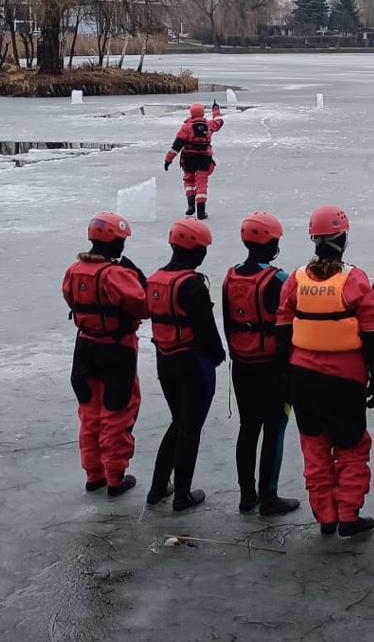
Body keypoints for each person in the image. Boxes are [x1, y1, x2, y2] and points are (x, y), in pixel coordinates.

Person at [276, 205, 374, 537]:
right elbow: (373, 333)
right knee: (352, 446)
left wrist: (285, 379)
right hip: (345, 381)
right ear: (344, 237)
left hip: (302, 378)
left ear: (314, 238)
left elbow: (282, 332)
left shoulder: (295, 280)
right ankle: (349, 514)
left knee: (314, 446)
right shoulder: (354, 279)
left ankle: (325, 515)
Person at [62, 212, 150, 497]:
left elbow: (69, 296)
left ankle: (93, 473)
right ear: (118, 242)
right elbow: (142, 304)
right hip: (117, 348)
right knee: (116, 412)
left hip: (85, 347)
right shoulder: (117, 274)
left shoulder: (74, 270)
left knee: (89, 412)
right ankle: (115, 476)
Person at [221, 212, 301, 516]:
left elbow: (228, 322)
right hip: (272, 366)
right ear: (271, 243)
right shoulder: (278, 280)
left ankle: (246, 495)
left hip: (242, 364)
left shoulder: (231, 276)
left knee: (248, 427)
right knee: (274, 429)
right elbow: (288, 328)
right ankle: (268, 496)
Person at [145, 218, 227, 512]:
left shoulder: (154, 279)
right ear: (197, 251)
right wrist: (219, 356)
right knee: (190, 427)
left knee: (178, 421)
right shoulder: (192, 285)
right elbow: (206, 329)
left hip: (165, 361)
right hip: (192, 363)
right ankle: (182, 494)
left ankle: (158, 486)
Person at [163, 103, 224, 220]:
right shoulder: (209, 125)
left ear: (191, 113)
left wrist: (168, 160)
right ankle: (201, 212)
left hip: (189, 158)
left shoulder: (186, 128)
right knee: (202, 183)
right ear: (202, 113)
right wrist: (216, 110)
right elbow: (220, 122)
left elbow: (176, 147)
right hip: (204, 158)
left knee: (189, 180)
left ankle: (191, 206)